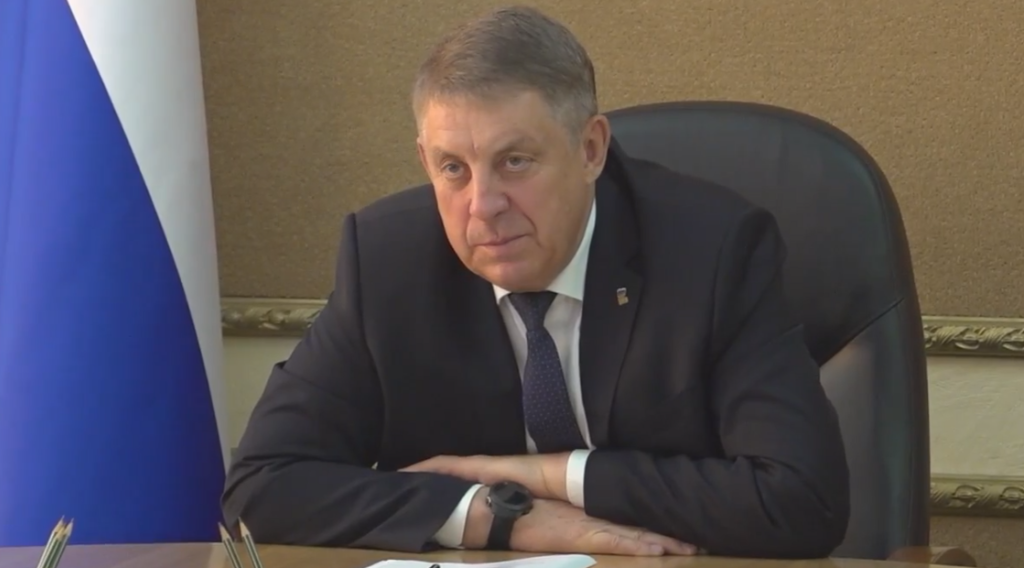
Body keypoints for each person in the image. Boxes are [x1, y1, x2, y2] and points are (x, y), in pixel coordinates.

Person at [221, 4, 850, 560]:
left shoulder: (713, 250)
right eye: (453, 168)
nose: (483, 206)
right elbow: (261, 485)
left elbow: (802, 501)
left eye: (515, 161)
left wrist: (545, 476)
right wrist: (496, 517)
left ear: (591, 150)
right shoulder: (387, 261)